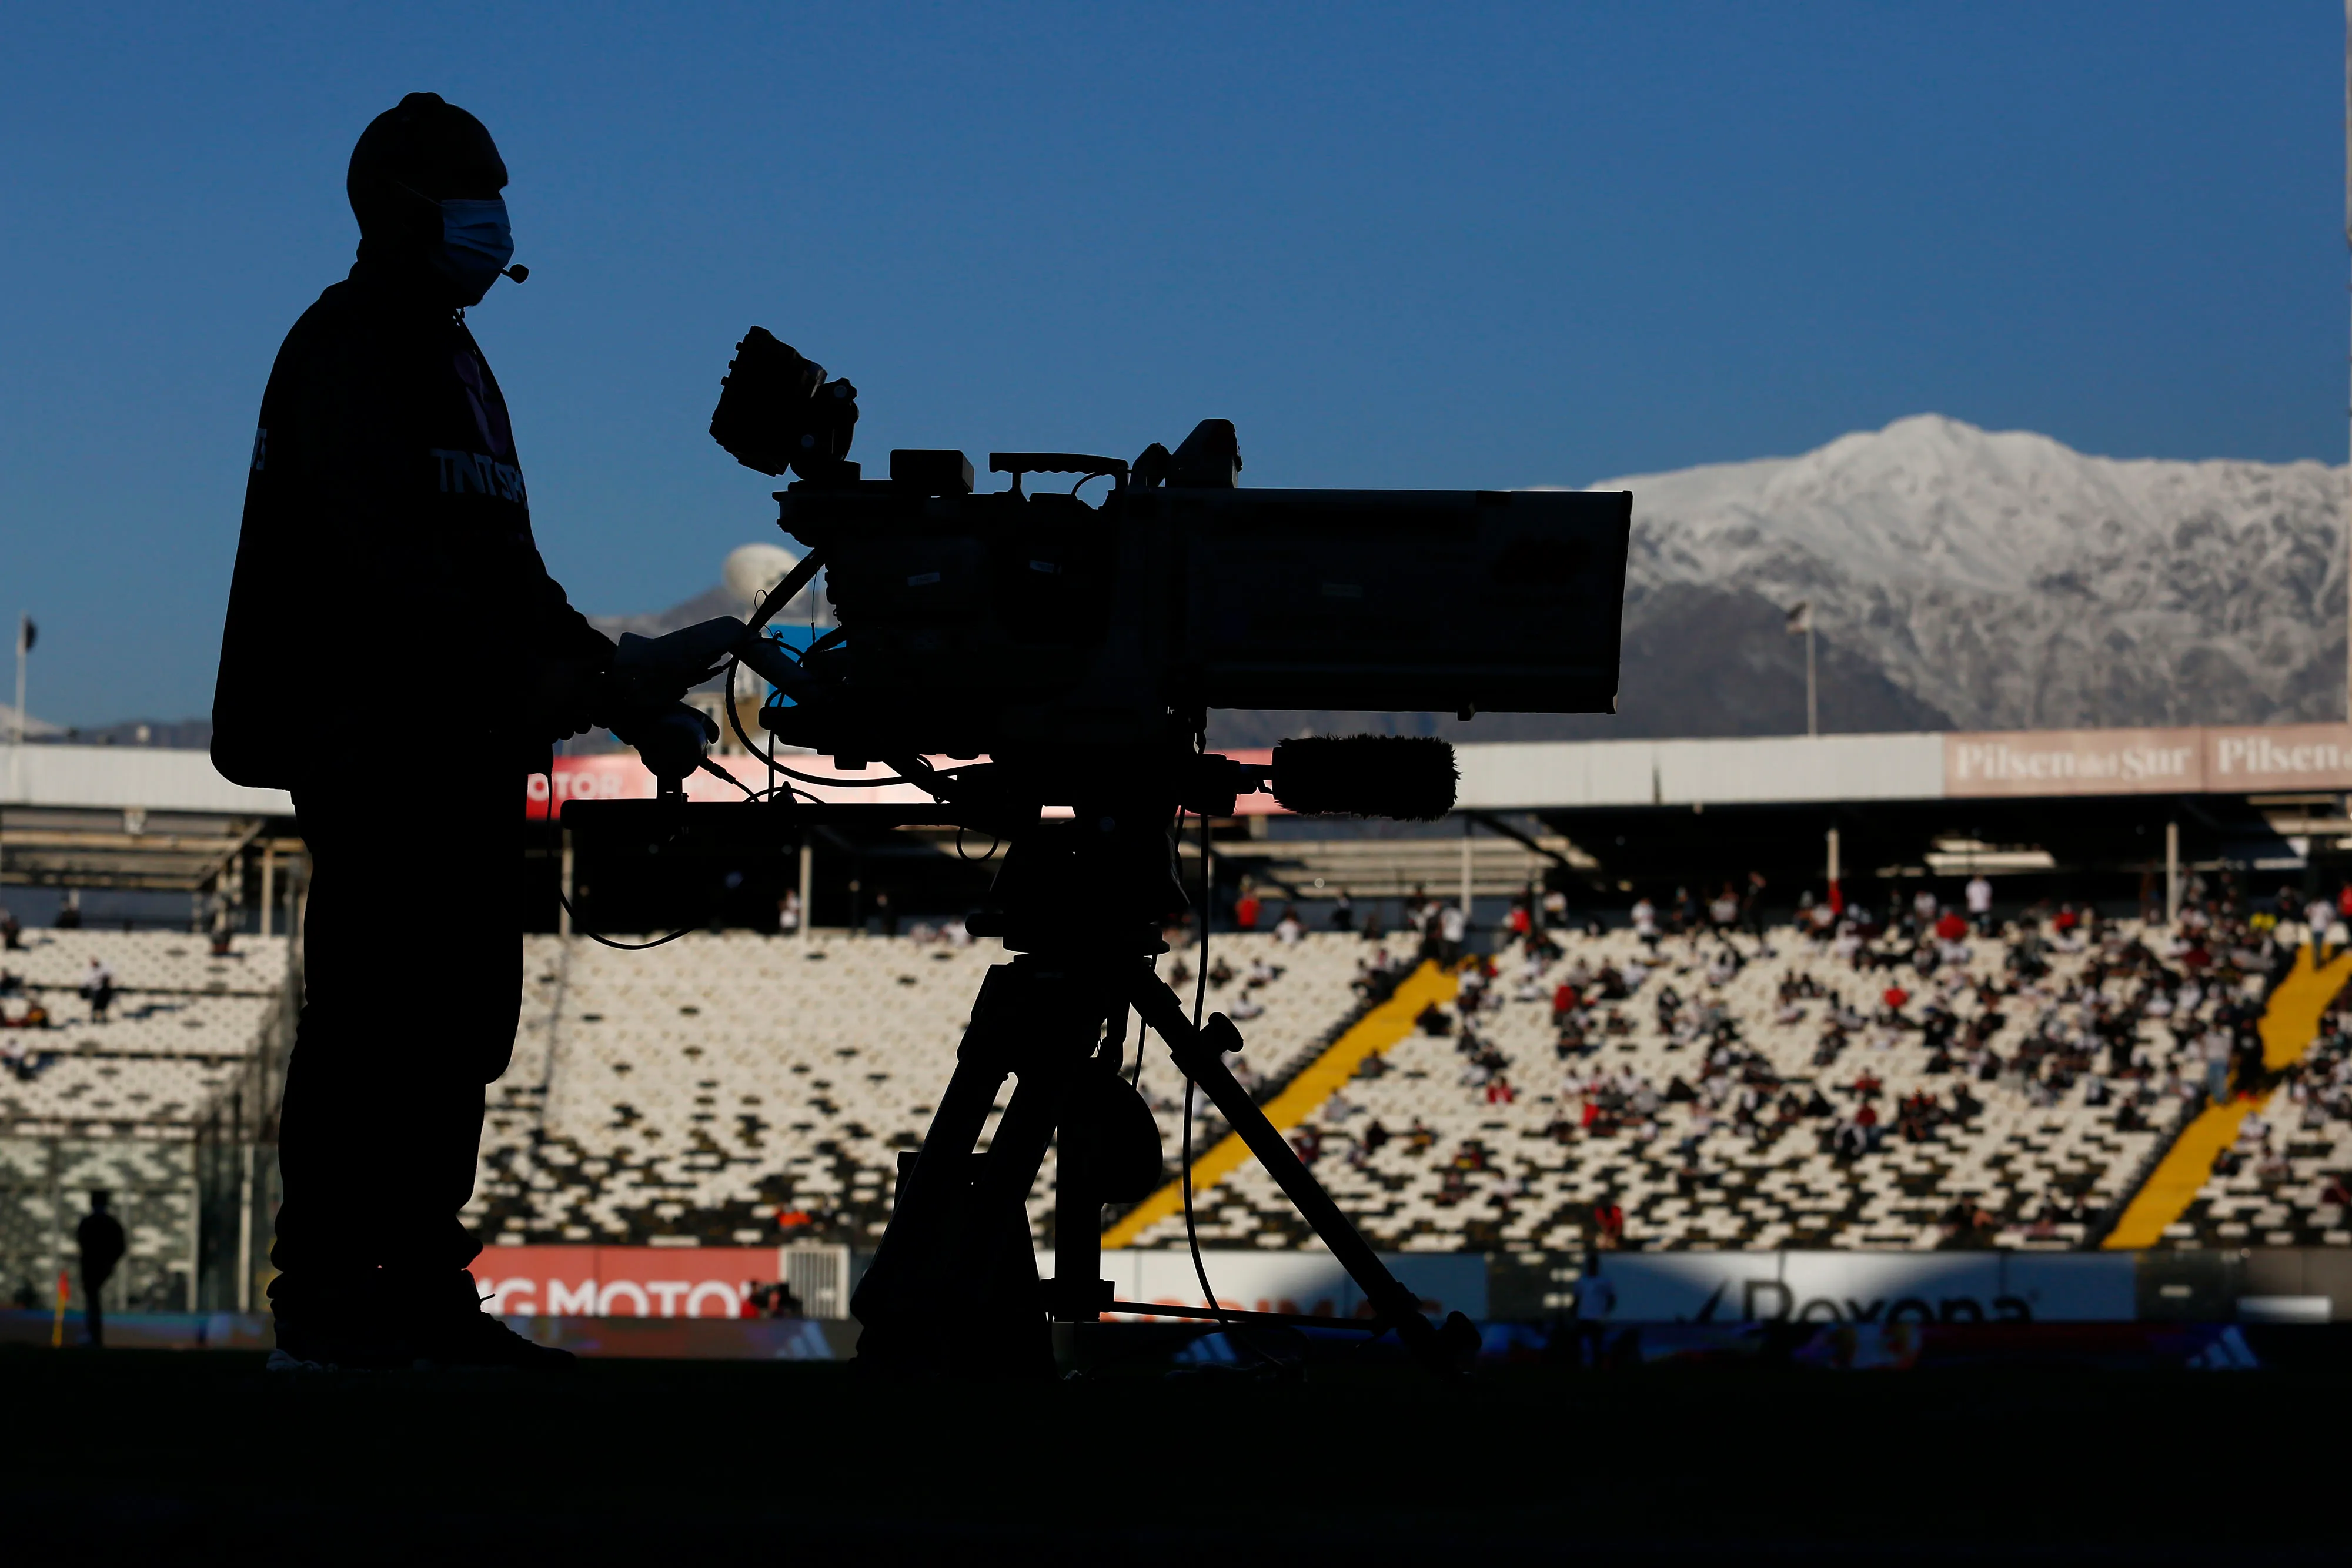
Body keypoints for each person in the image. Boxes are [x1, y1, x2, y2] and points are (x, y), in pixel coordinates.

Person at [211, 95, 673, 1372]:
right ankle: (328, 1304)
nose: (499, 217)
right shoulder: (347, 347)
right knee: (376, 1020)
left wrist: (609, 676)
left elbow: (506, 568)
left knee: (455, 1026)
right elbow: (388, 575)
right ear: (403, 205)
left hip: (466, 747)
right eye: (479, 191)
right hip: (380, 747)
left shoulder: (460, 362)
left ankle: (419, 1292)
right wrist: (545, 677)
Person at [76, 1191, 126, 1349]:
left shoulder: (88, 1222)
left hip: (93, 1267)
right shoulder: (111, 1223)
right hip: (100, 1266)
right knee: (93, 1300)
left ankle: (95, 1336)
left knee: (92, 1300)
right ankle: (95, 1335)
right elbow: (121, 1246)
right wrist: (110, 1263)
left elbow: (82, 1243)